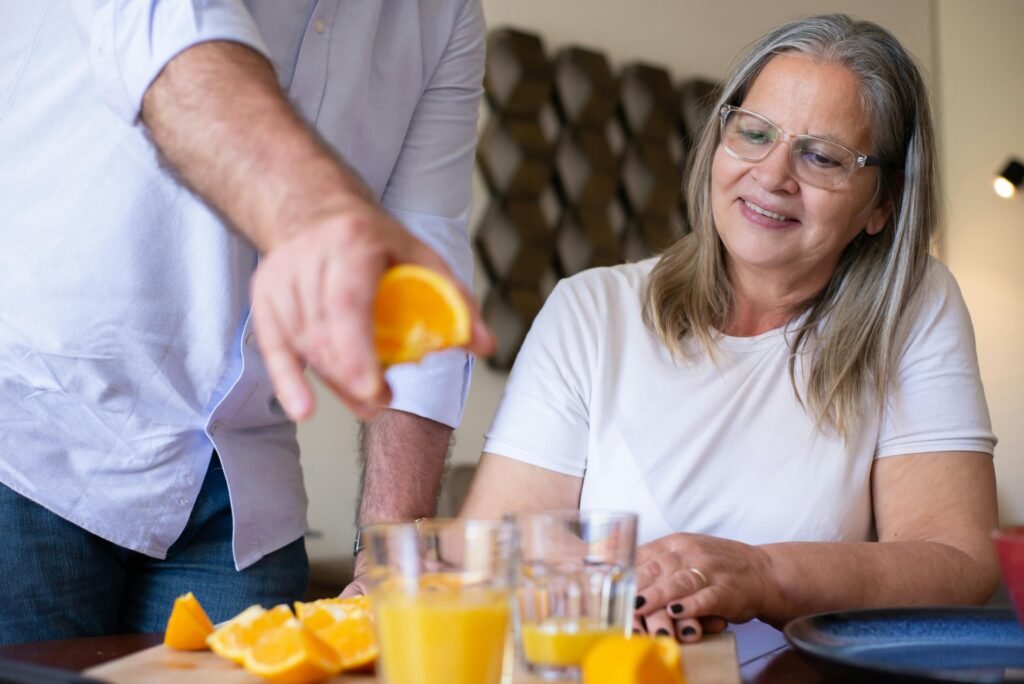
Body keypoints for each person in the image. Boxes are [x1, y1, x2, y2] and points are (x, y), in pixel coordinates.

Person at [461, 13, 999, 643]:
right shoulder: (590, 310)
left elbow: (958, 560)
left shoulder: (914, 305)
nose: (772, 175)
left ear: (883, 203)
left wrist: (761, 573)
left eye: (821, 156)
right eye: (754, 132)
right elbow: (492, 559)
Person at [0, 1, 491, 643]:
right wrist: (311, 212)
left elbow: (425, 264)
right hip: (34, 436)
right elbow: (165, 34)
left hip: (242, 493)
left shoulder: (446, 13)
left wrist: (390, 558)